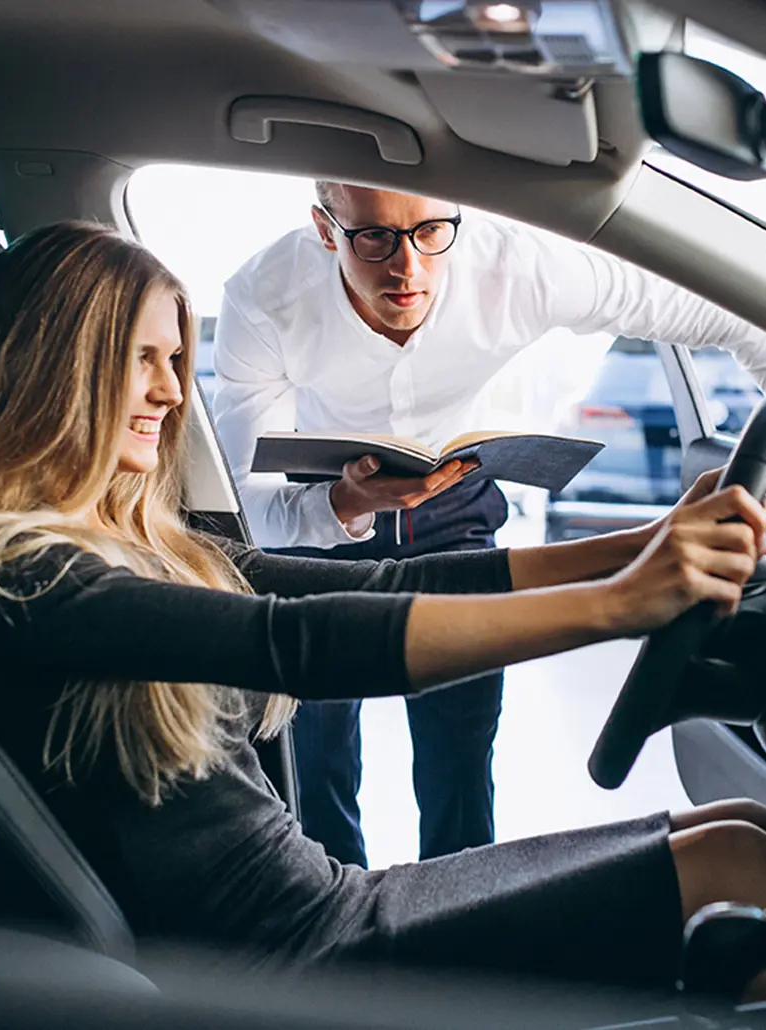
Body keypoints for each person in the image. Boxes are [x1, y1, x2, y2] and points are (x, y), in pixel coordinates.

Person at [0, 221, 766, 996]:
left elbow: (380, 587)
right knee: (732, 862)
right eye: (141, 359)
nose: (172, 393)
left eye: (174, 360)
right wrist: (619, 604)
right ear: (60, 364)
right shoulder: (11, 569)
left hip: (326, 903)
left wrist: (640, 544)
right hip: (290, 959)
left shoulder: (139, 540)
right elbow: (295, 643)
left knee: (736, 828)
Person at [211, 183, 766, 867]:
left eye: (429, 233)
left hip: (456, 501)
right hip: (320, 513)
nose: (407, 266)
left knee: (462, 745)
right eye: (374, 237)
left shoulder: (522, 266)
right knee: (316, 753)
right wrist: (345, 506)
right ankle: (340, 922)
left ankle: (456, 926)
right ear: (326, 230)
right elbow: (246, 499)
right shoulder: (264, 295)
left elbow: (734, 310)